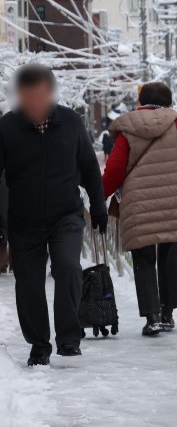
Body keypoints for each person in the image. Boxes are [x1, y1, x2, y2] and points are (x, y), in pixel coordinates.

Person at [0, 64, 106, 366]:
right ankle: (39, 344)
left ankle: (69, 339)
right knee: (29, 283)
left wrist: (98, 207)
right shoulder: (7, 128)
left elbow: (88, 167)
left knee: (69, 266)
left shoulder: (71, 123)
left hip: (66, 215)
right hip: (24, 219)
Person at [102, 82, 177, 336]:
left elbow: (114, 171)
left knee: (144, 260)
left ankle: (153, 317)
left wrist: (98, 196)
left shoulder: (126, 129)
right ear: (168, 103)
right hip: (173, 202)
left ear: (140, 102)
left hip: (138, 204)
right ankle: (168, 314)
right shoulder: (176, 126)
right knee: (168, 256)